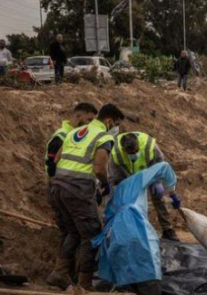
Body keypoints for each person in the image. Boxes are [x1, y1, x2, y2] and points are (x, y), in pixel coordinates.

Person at [47, 103, 124, 290]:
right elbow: (99, 168)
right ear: (109, 121)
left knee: (74, 231)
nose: (116, 128)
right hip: (78, 189)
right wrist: (104, 184)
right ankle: (84, 284)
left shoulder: (76, 131)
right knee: (92, 234)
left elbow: (56, 159)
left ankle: (60, 273)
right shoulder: (103, 136)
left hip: (58, 186)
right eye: (116, 124)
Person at [94, 162, 180, 295]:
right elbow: (164, 167)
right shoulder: (134, 180)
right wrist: (172, 191)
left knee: (128, 282)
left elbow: (105, 217)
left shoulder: (112, 193)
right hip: (138, 233)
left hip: (115, 238)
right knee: (149, 279)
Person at [44, 103, 98, 286]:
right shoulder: (63, 136)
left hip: (61, 188)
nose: (91, 124)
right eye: (89, 119)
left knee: (72, 232)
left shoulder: (71, 136)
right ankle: (65, 274)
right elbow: (52, 166)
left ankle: (65, 273)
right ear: (78, 116)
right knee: (73, 232)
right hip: (62, 189)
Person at [107, 132, 180, 241]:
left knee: (158, 197)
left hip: (149, 170)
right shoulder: (116, 153)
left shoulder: (149, 145)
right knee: (126, 202)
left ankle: (167, 229)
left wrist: (157, 181)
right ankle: (123, 230)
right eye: (130, 152)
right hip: (128, 175)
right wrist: (115, 192)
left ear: (138, 144)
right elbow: (115, 177)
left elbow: (161, 164)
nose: (134, 154)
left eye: (136, 151)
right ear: (124, 150)